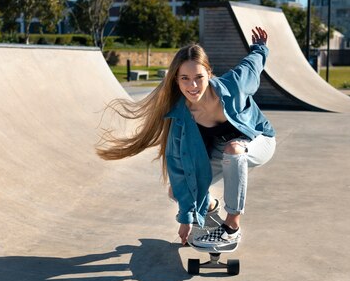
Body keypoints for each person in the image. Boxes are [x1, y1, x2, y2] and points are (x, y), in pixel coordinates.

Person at [96, 27, 276, 248]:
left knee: (235, 150)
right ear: (176, 80)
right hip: (224, 151)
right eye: (185, 79)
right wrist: (186, 218)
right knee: (177, 190)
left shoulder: (234, 85)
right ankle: (209, 208)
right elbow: (179, 167)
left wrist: (260, 48)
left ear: (209, 74)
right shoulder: (180, 116)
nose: (192, 86)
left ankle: (231, 227)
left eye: (199, 78)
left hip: (259, 140)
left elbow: (252, 65)